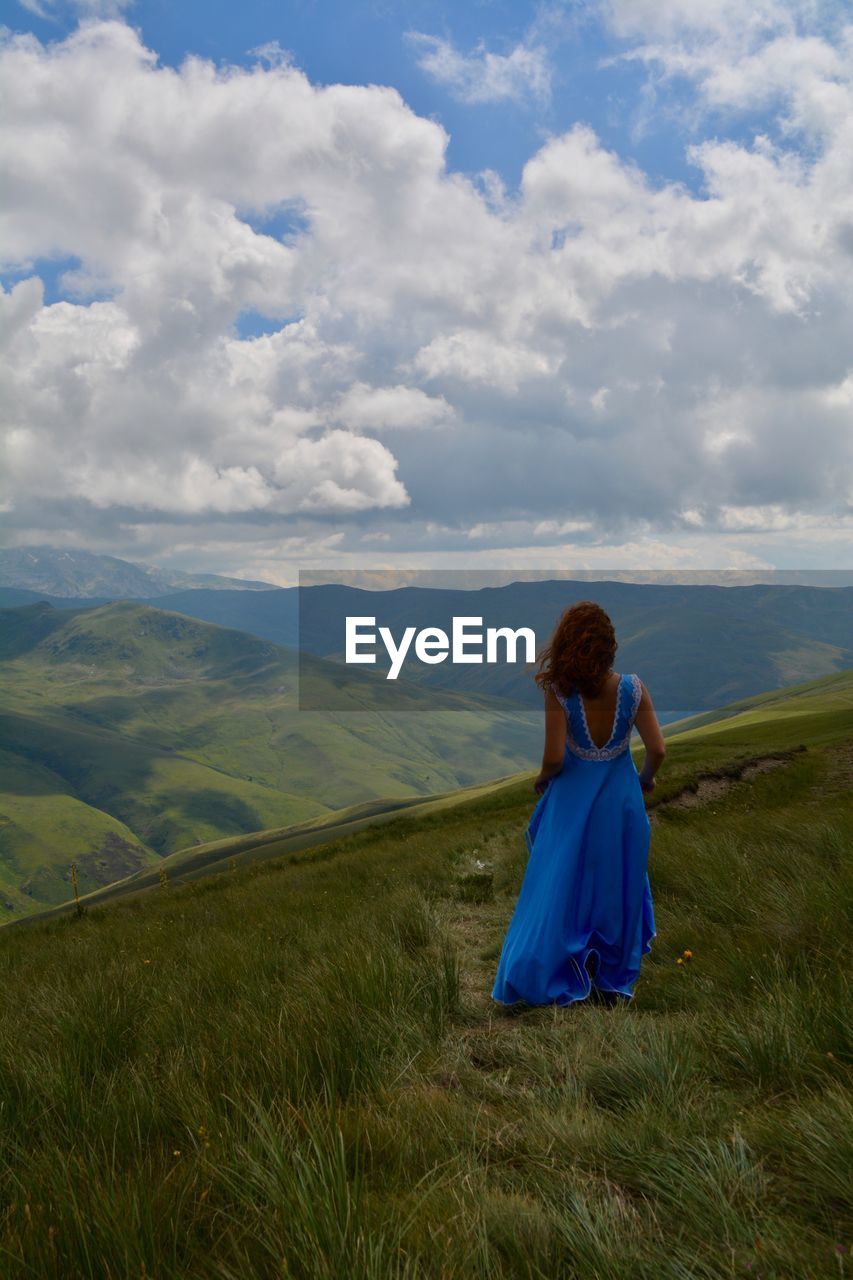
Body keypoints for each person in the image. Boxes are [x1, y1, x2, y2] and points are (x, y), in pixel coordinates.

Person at [491, 599, 666, 1007]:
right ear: (609, 646)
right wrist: (644, 781)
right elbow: (657, 749)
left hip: (572, 800)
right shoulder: (633, 688)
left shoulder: (559, 691)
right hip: (622, 802)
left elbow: (554, 757)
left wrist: (542, 779)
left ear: (568, 644)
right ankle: (609, 978)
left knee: (560, 883)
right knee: (614, 884)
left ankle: (556, 967)